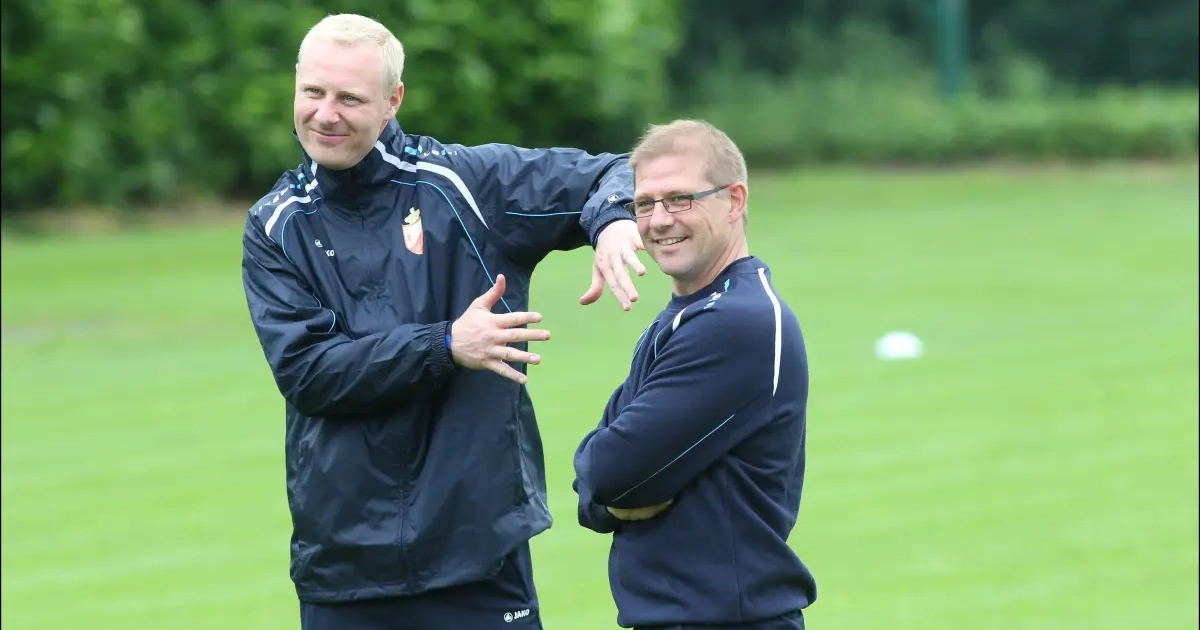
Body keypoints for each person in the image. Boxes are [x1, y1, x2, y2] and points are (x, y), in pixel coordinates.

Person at [239, 14, 647, 630]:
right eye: (313, 92)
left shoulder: (465, 184)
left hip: (477, 556)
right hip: (345, 565)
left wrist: (613, 218)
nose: (326, 114)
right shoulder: (276, 224)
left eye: (350, 98)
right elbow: (310, 373)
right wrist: (448, 343)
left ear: (392, 101)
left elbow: (616, 170)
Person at [571, 119, 819, 630]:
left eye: (680, 199)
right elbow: (597, 474)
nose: (659, 220)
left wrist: (605, 492)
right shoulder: (688, 315)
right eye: (644, 204)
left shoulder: (737, 322)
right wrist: (605, 496)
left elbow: (610, 471)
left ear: (733, 201)